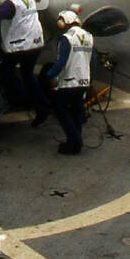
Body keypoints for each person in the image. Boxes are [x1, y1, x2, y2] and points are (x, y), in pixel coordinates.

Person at [42, 8, 94, 154]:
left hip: (70, 81)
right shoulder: (89, 36)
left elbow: (61, 62)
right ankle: (75, 142)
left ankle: (75, 141)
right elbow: (93, 61)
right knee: (77, 110)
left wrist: (50, 76)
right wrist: (90, 79)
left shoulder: (67, 38)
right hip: (84, 81)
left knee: (60, 109)